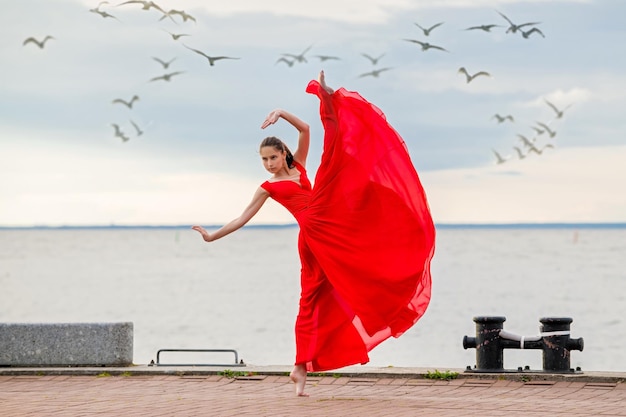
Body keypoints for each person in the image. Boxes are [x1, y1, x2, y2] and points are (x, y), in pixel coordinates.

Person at [192, 71, 436, 397]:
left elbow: (306, 129)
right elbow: (242, 218)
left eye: (272, 157)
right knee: (309, 301)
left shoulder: (301, 166)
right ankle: (300, 366)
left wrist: (281, 111)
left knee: (353, 272)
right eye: (264, 160)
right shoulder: (268, 187)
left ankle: (307, 363)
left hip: (333, 227)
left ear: (283, 154)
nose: (268, 164)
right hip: (312, 239)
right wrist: (212, 236)